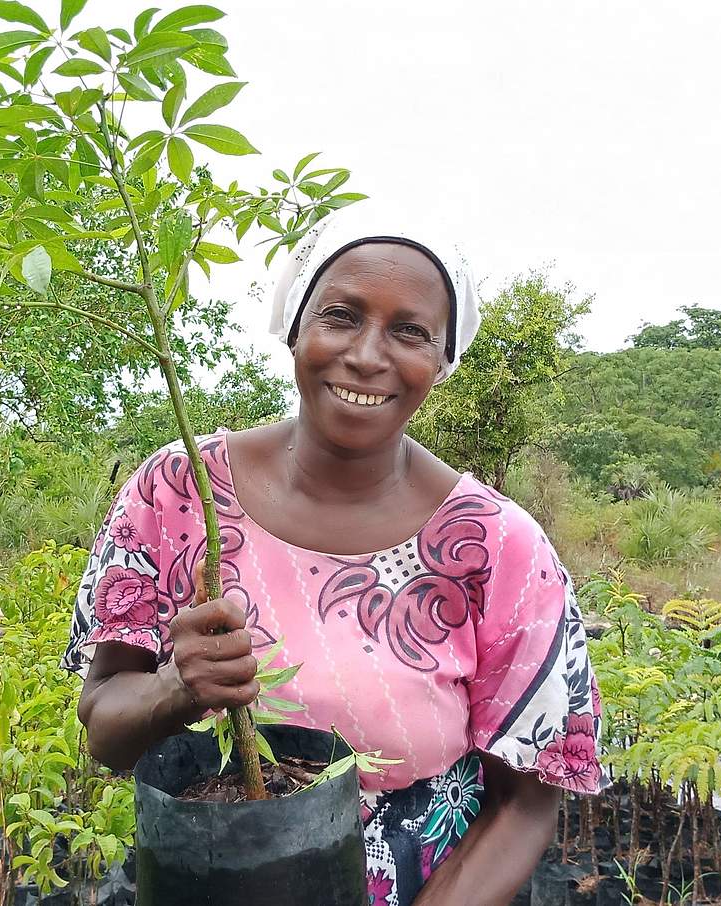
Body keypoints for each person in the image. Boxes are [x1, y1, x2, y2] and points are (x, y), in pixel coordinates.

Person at [62, 203, 605, 906]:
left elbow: (526, 801)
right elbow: (107, 732)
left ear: (443, 362)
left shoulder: (497, 545)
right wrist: (176, 690)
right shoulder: (176, 490)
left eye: (410, 331)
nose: (368, 354)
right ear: (295, 327)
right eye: (342, 315)